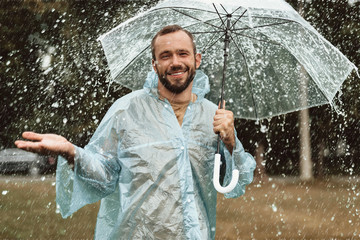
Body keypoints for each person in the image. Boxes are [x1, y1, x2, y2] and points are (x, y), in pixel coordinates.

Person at [15, 25, 256, 239]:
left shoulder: (215, 117)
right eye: (165, 55)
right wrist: (71, 152)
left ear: (197, 59)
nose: (175, 62)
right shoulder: (126, 110)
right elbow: (104, 177)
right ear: (154, 64)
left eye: (183, 53)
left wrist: (231, 142)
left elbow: (235, 184)